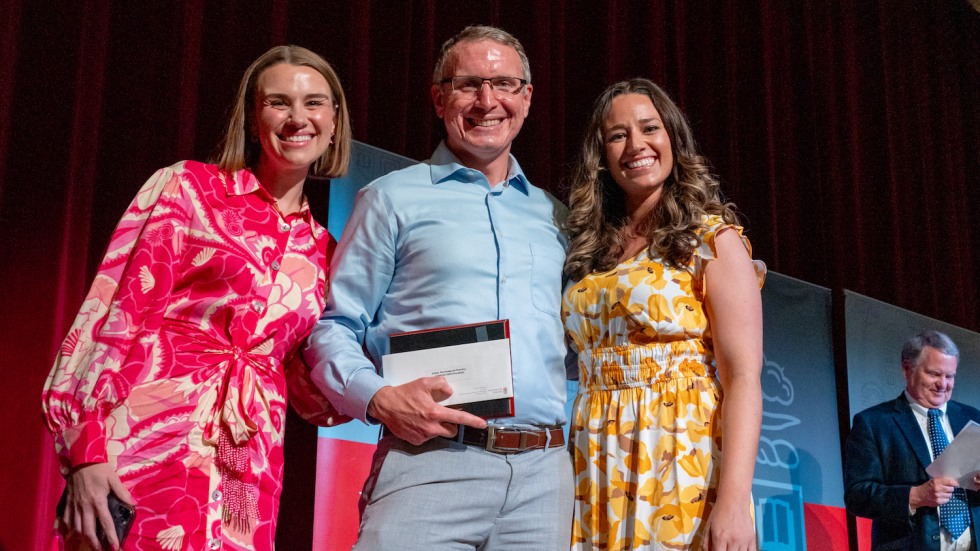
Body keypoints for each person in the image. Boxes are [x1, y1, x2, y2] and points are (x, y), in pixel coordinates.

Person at [42, 45, 352, 550]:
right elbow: (114, 315)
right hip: (146, 439)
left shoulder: (324, 251)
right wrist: (85, 452)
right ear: (253, 120)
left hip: (245, 465)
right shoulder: (188, 188)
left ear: (334, 121)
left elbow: (310, 391)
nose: (298, 118)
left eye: (314, 103)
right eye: (279, 102)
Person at [303, 25, 573, 550]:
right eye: (469, 84)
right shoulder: (390, 200)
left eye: (503, 84)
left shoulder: (556, 217)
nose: (487, 101)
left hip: (547, 478)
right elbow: (334, 328)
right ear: (439, 98)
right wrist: (378, 397)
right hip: (429, 462)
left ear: (527, 97)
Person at [561, 78, 765, 550]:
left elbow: (743, 378)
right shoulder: (588, 252)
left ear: (672, 136)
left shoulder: (712, 240)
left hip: (679, 453)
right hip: (594, 456)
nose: (636, 145)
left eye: (649, 128)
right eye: (617, 135)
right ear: (601, 154)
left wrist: (733, 501)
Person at [844, 331, 980, 551]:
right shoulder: (874, 423)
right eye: (934, 374)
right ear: (907, 369)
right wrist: (915, 496)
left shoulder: (972, 418)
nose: (943, 384)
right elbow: (857, 495)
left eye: (950, 376)